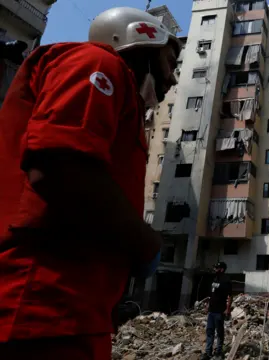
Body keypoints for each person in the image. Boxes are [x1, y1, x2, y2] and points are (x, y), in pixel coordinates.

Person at [0, 7, 179, 359]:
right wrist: (144, 241)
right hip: (39, 304)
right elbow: (61, 165)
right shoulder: (96, 62)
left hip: (76, 310)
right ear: (142, 40)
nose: (173, 79)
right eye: (171, 62)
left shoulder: (124, 105)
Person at [203, 262, 233, 360]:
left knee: (219, 332)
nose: (215, 269)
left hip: (219, 311)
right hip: (211, 311)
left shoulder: (226, 280)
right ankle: (208, 353)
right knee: (209, 331)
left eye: (217, 268)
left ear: (222, 269)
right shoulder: (214, 279)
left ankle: (219, 352)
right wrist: (207, 305)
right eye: (215, 267)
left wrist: (227, 309)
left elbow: (230, 296)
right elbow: (210, 294)